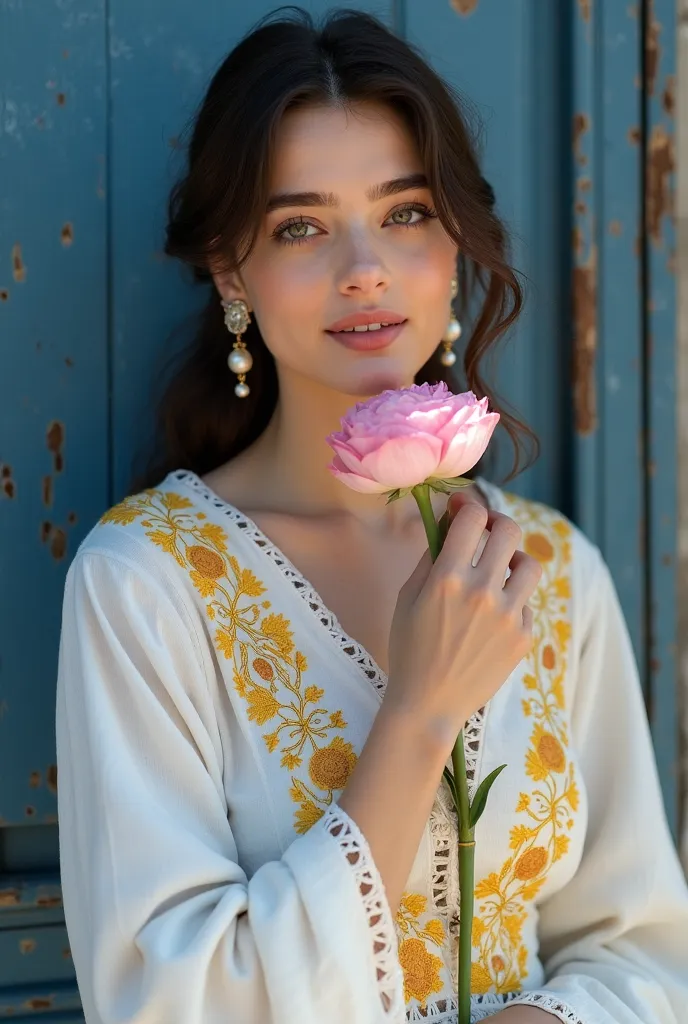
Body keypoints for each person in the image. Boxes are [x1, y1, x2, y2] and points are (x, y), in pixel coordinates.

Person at [55, 9, 688, 1024]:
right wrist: (418, 716)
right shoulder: (148, 584)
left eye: (404, 212)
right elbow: (171, 1001)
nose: (365, 266)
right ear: (231, 269)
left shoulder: (548, 569)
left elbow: (643, 946)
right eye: (301, 224)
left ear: (453, 244)